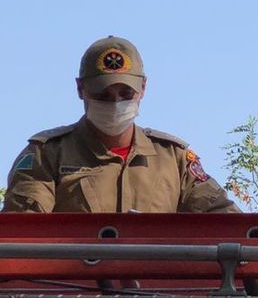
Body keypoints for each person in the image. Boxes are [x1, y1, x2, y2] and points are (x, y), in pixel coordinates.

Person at [3, 36, 239, 214]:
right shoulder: (47, 154)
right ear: (80, 89)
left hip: (157, 280)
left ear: (143, 89)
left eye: (126, 94)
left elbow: (225, 224)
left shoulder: (173, 159)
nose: (115, 103)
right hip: (74, 280)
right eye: (103, 95)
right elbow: (24, 231)